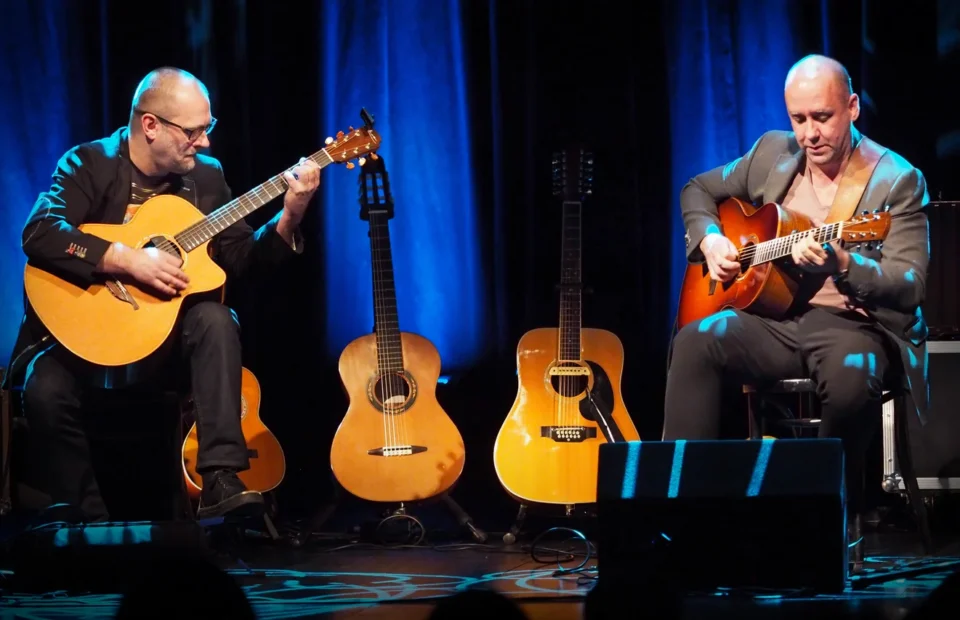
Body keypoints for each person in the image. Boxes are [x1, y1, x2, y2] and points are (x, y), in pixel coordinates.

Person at [3, 67, 321, 523]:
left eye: (207, 128)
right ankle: (89, 525)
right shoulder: (89, 163)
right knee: (44, 387)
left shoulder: (206, 179)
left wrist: (291, 215)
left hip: (160, 346)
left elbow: (241, 259)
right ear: (150, 125)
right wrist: (125, 259)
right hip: (80, 342)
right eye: (193, 132)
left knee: (216, 319)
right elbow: (40, 233)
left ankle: (220, 478)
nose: (204, 142)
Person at [663, 55, 930, 520]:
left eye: (822, 117)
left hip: (855, 327)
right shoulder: (773, 153)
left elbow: (910, 284)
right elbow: (696, 189)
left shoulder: (896, 179)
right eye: (799, 119)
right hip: (776, 322)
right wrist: (711, 240)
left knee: (851, 377)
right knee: (696, 341)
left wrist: (844, 263)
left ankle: (819, 518)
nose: (810, 134)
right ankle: (684, 516)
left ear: (852, 107)